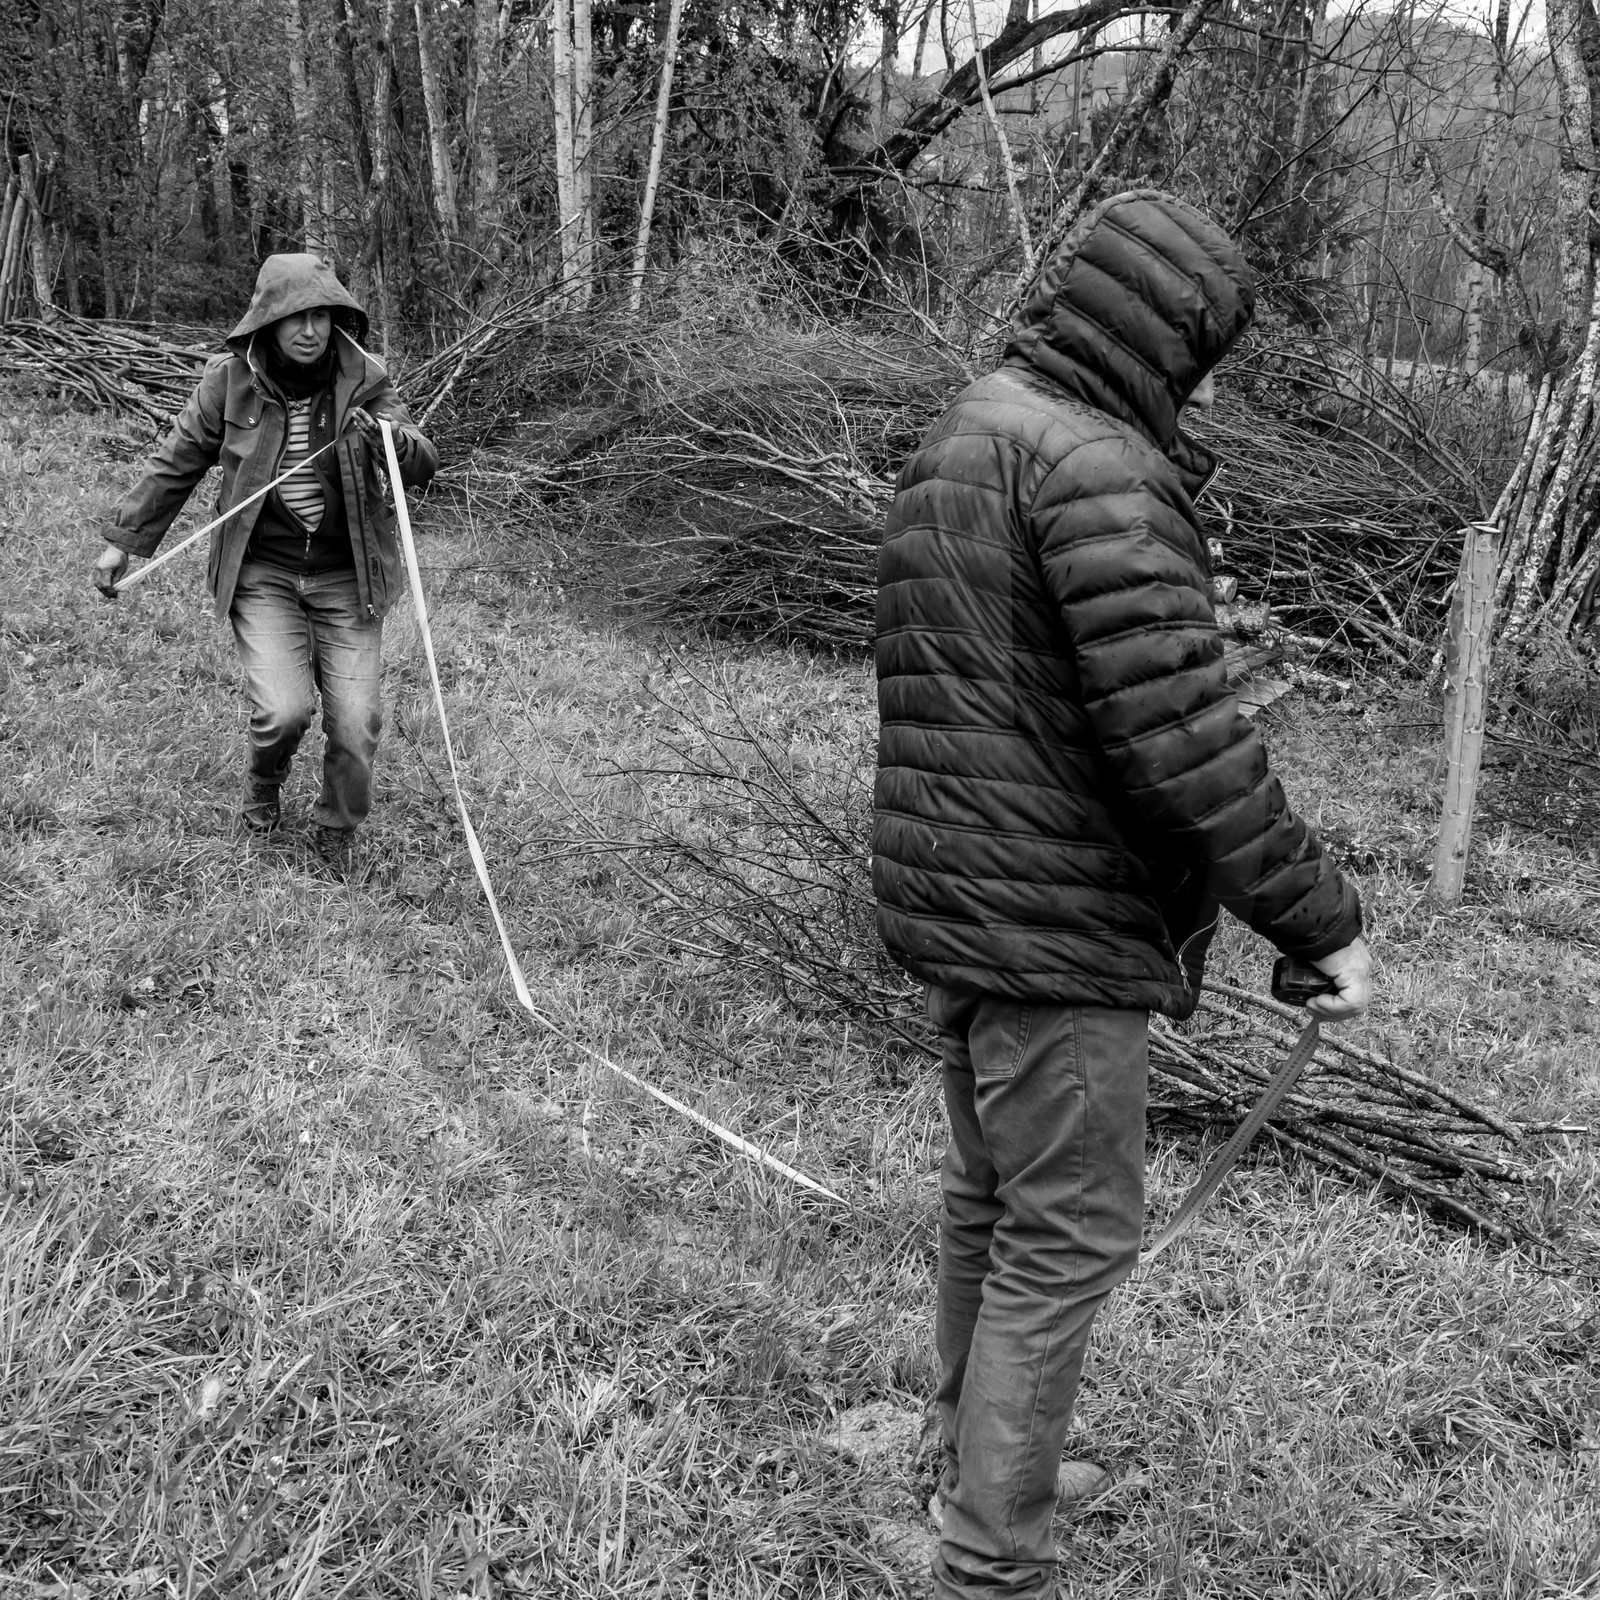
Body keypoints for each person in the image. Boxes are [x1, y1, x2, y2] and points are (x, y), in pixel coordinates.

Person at [872, 190, 1372, 1600]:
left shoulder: (972, 423)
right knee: (1070, 1230)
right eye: (1205, 352)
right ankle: (992, 1558)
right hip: (1057, 927)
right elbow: (1183, 741)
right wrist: (1321, 921)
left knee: (992, 1201)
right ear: (1172, 338)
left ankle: (965, 1461)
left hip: (961, 904)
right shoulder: (1097, 466)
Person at [92, 253, 438, 872]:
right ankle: (264, 785)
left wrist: (393, 440)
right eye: (295, 317)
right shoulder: (229, 381)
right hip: (263, 572)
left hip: (348, 574)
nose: (310, 331)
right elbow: (178, 460)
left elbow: (420, 463)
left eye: (322, 317)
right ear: (267, 323)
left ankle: (335, 829)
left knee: (357, 724)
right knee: (283, 712)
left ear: (338, 320)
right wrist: (125, 538)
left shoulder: (367, 378)